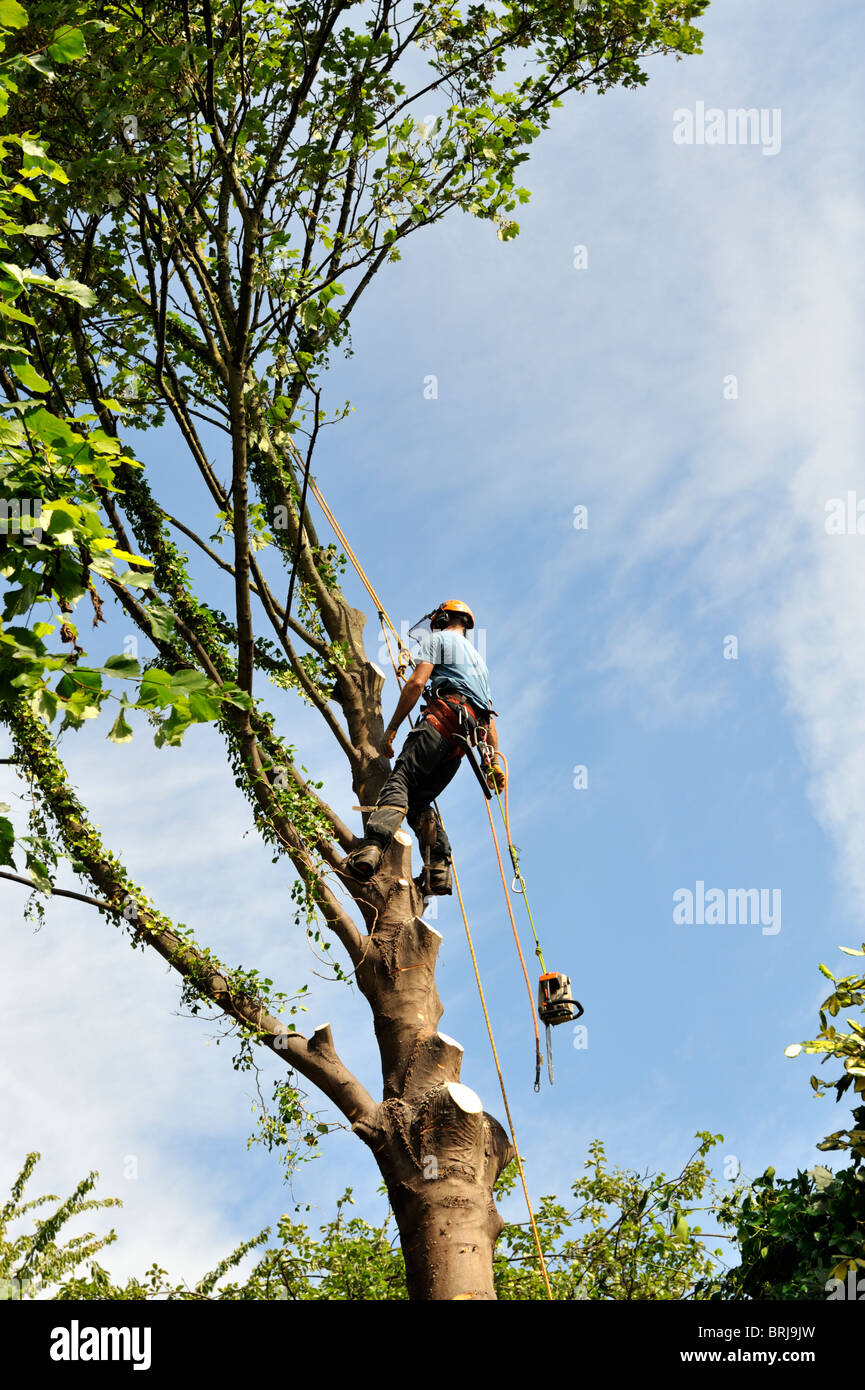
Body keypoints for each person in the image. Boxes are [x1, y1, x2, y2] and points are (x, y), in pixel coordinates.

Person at [344, 599, 505, 895]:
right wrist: (491, 761)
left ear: (443, 619)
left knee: (401, 780)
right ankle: (438, 869)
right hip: (463, 745)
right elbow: (489, 721)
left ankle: (372, 848)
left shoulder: (438, 641)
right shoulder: (480, 666)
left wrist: (391, 728)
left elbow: (416, 684)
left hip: (440, 723)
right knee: (417, 801)